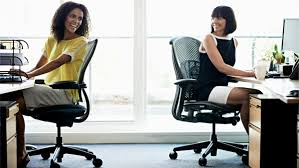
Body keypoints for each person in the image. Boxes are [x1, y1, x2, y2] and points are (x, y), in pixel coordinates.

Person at [3, 1, 91, 167]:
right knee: (8, 101)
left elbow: (58, 62)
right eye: (73, 16)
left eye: (80, 18)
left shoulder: (80, 41)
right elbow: (39, 66)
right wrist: (24, 76)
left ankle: (20, 153)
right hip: (51, 89)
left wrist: (30, 75)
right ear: (63, 16)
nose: (76, 21)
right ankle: (17, 151)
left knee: (11, 106)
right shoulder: (52, 40)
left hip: (65, 93)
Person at [198, 6, 261, 135]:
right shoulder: (209, 38)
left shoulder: (234, 41)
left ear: (229, 20)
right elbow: (222, 67)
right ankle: (256, 144)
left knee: (258, 94)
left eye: (219, 18)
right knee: (249, 96)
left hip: (221, 87)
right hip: (207, 88)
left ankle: (258, 143)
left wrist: (254, 70)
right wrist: (250, 74)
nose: (214, 21)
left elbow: (229, 67)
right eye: (213, 17)